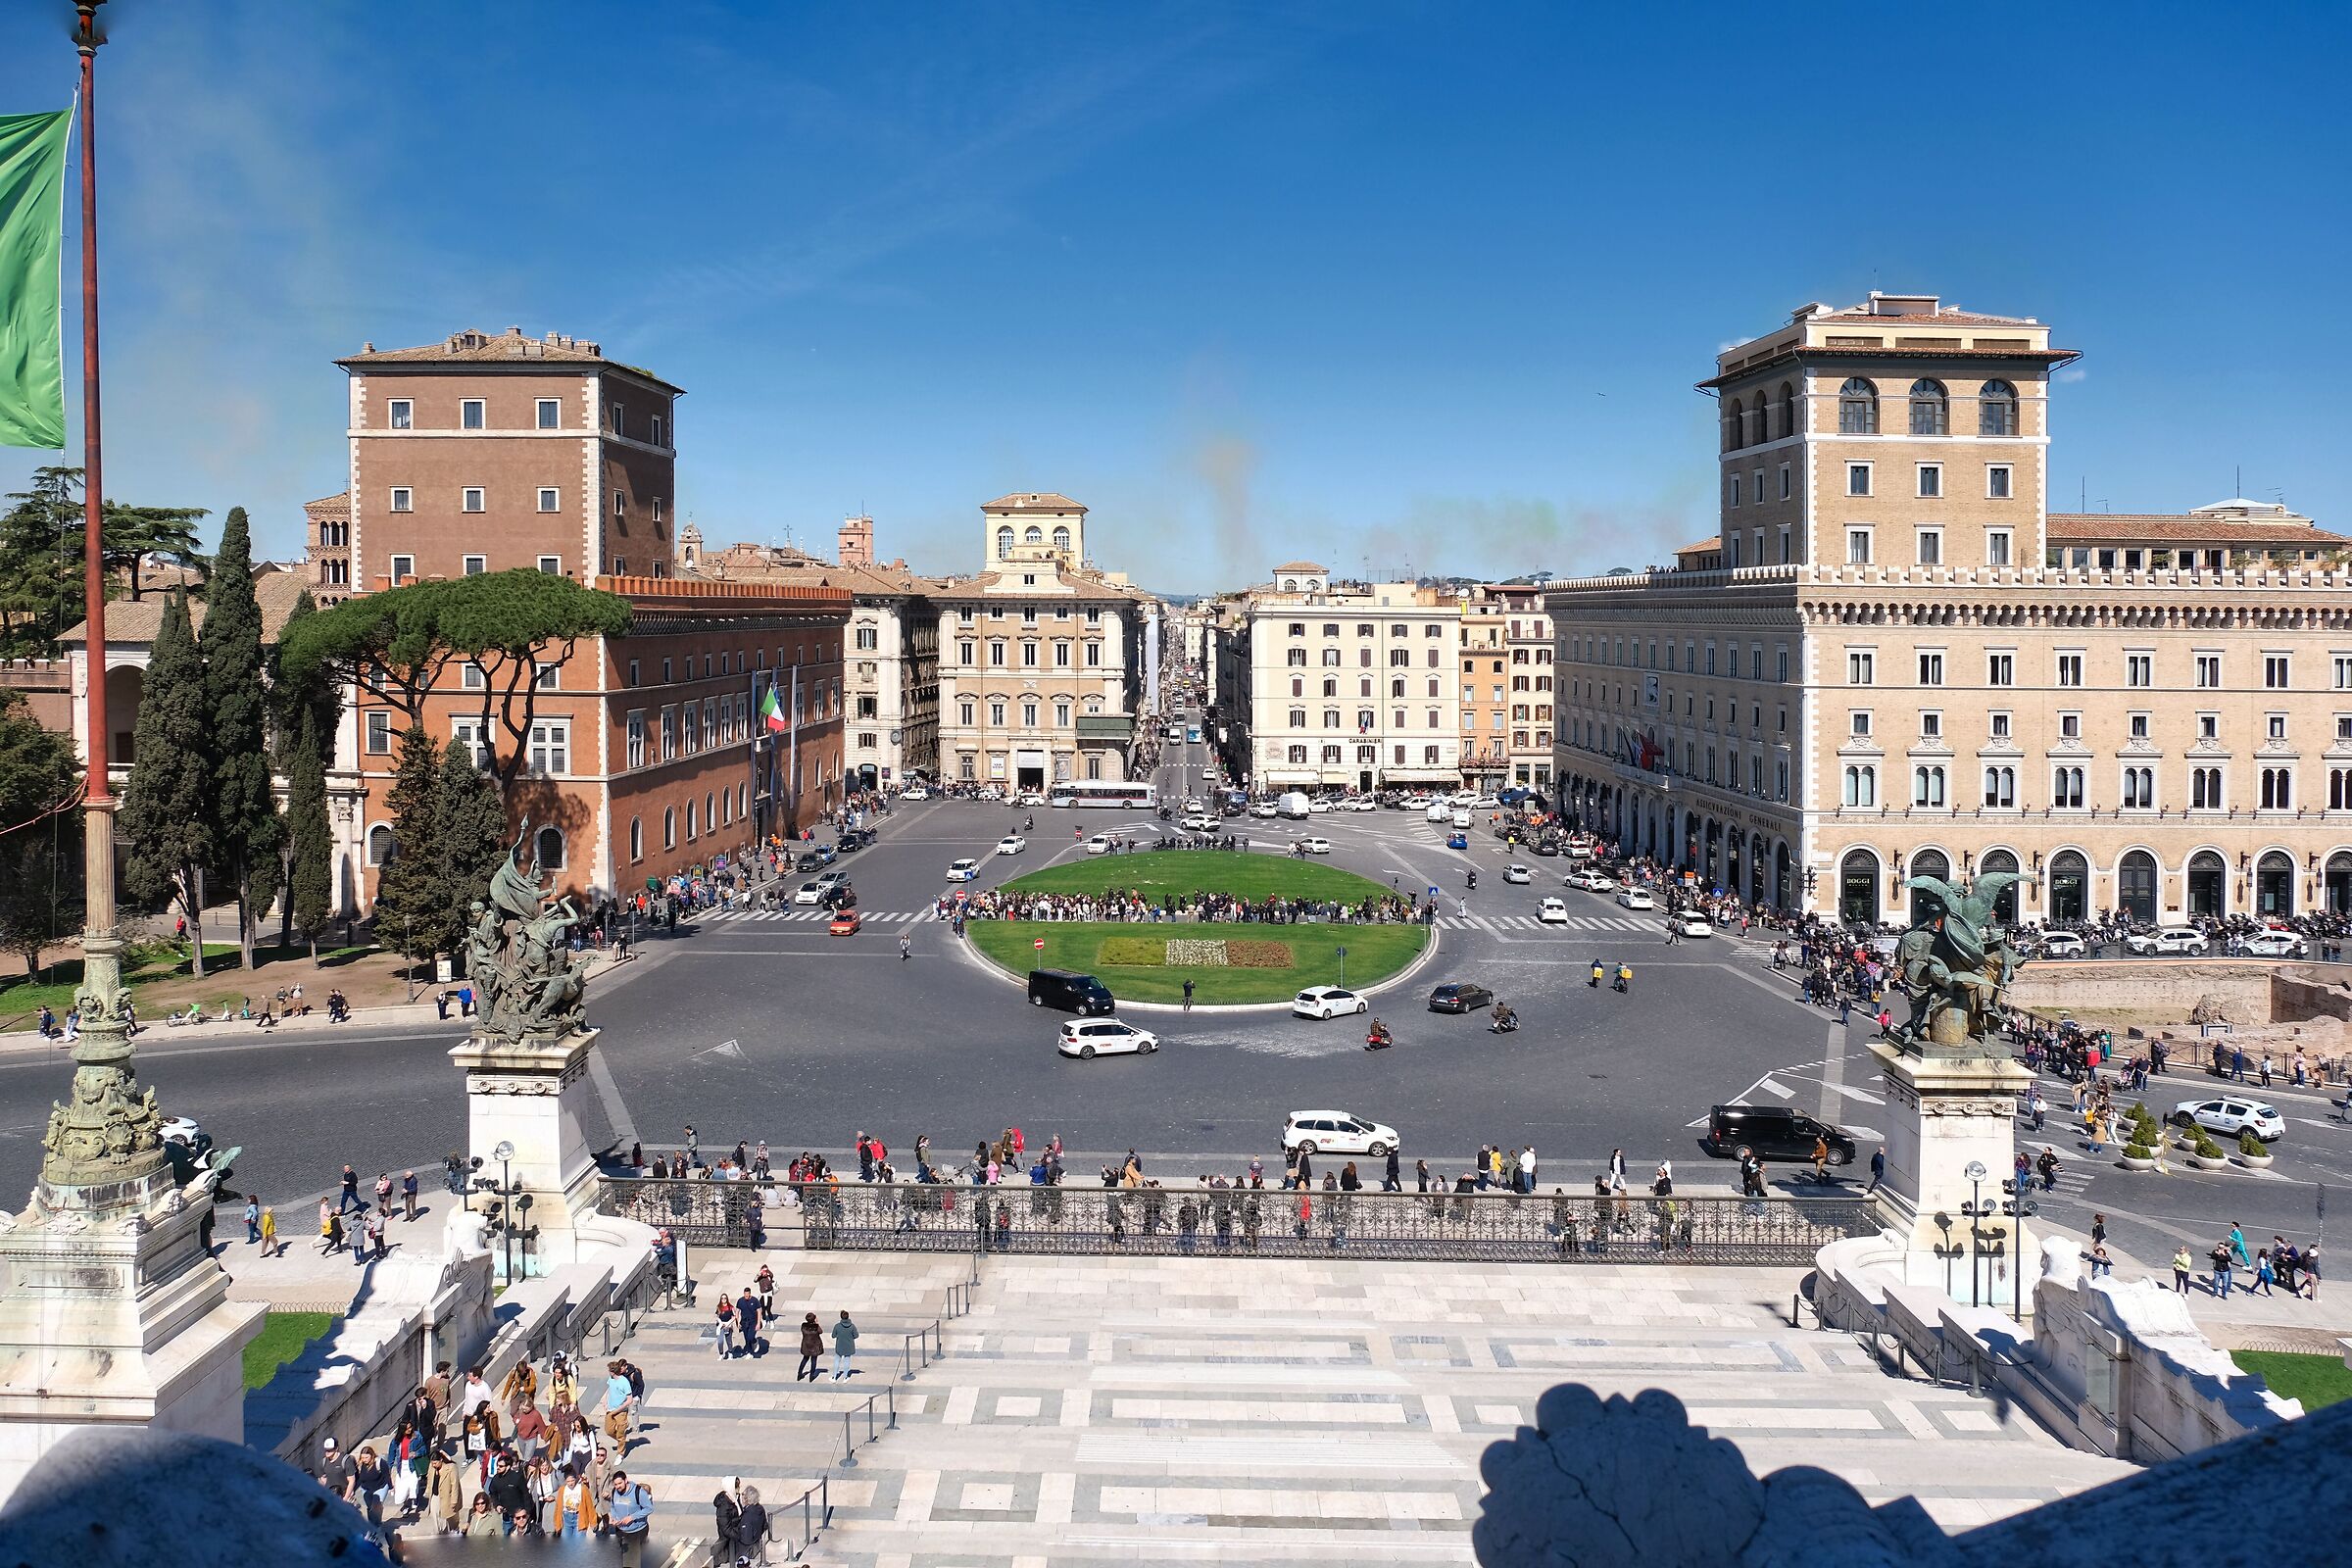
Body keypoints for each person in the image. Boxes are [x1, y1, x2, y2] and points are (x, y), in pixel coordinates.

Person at [607, 1471, 653, 1567]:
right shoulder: (615, 1492)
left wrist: (632, 1517)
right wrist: (614, 1518)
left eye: (620, 1483)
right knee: (624, 1559)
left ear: (626, 1481)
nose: (618, 1486)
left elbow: (649, 1508)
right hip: (621, 1531)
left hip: (637, 1531)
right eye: (615, 1484)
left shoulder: (638, 1492)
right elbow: (613, 1507)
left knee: (633, 1562)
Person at [831, 1308, 860, 1381]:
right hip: (849, 1346)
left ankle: (834, 1377)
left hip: (839, 1346)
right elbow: (856, 1335)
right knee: (847, 1361)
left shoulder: (837, 1326)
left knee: (837, 1361)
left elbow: (833, 1335)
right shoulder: (852, 1326)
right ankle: (845, 1377)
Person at [797, 1312, 823, 1382]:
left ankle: (799, 1373)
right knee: (814, 1360)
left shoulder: (803, 1326)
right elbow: (821, 1331)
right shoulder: (816, 1327)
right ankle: (812, 1376)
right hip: (815, 1346)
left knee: (805, 1359)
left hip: (806, 1345)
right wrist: (817, 1323)